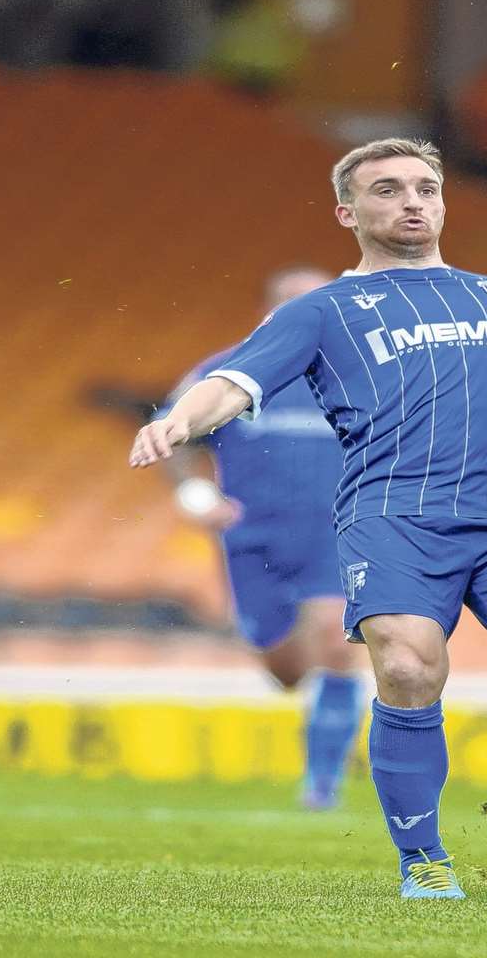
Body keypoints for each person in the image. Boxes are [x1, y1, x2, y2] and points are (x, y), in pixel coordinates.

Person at [130, 139, 487, 900]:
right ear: (349, 212)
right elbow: (232, 382)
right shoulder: (321, 310)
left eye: (425, 187)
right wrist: (179, 425)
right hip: (395, 516)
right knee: (408, 668)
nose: (412, 201)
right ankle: (424, 858)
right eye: (387, 189)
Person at [154, 265, 362, 810]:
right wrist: (193, 496)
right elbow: (172, 432)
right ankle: (306, 683)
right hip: (254, 539)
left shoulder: (363, 372)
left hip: (336, 534)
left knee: (339, 647)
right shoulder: (227, 371)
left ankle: (322, 785)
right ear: (270, 312)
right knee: (286, 671)